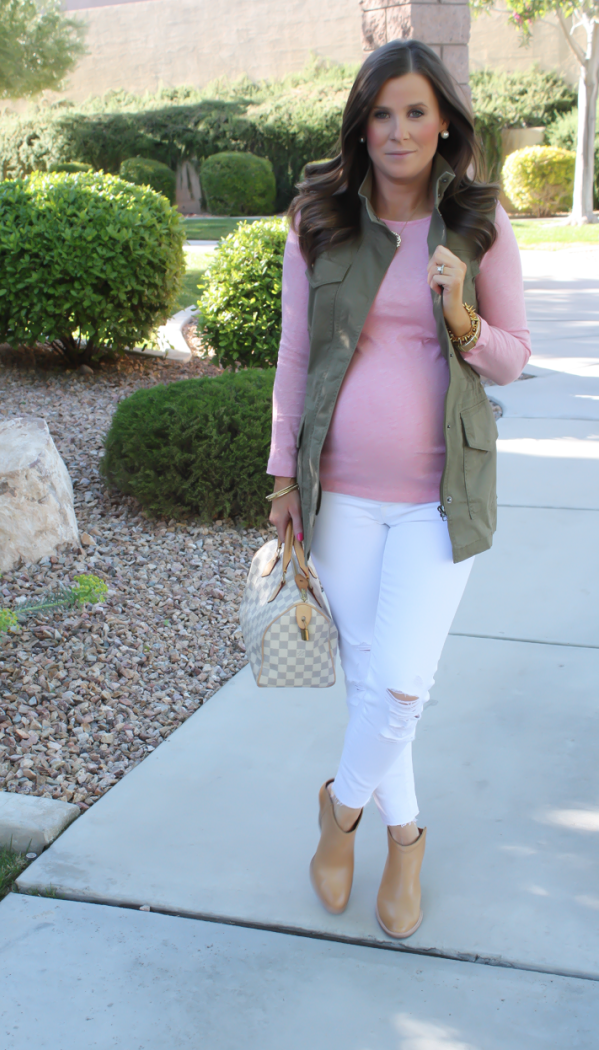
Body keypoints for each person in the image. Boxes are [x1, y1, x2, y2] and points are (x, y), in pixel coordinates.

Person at [266, 39, 530, 938]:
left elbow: (514, 360)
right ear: (361, 123)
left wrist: (462, 312)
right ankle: (406, 834)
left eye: (416, 111)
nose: (398, 130)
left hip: (438, 494)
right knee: (373, 680)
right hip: (338, 491)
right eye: (381, 113)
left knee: (405, 685)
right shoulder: (320, 219)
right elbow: (295, 356)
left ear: (445, 120)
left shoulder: (480, 223)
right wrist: (280, 478)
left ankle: (338, 813)